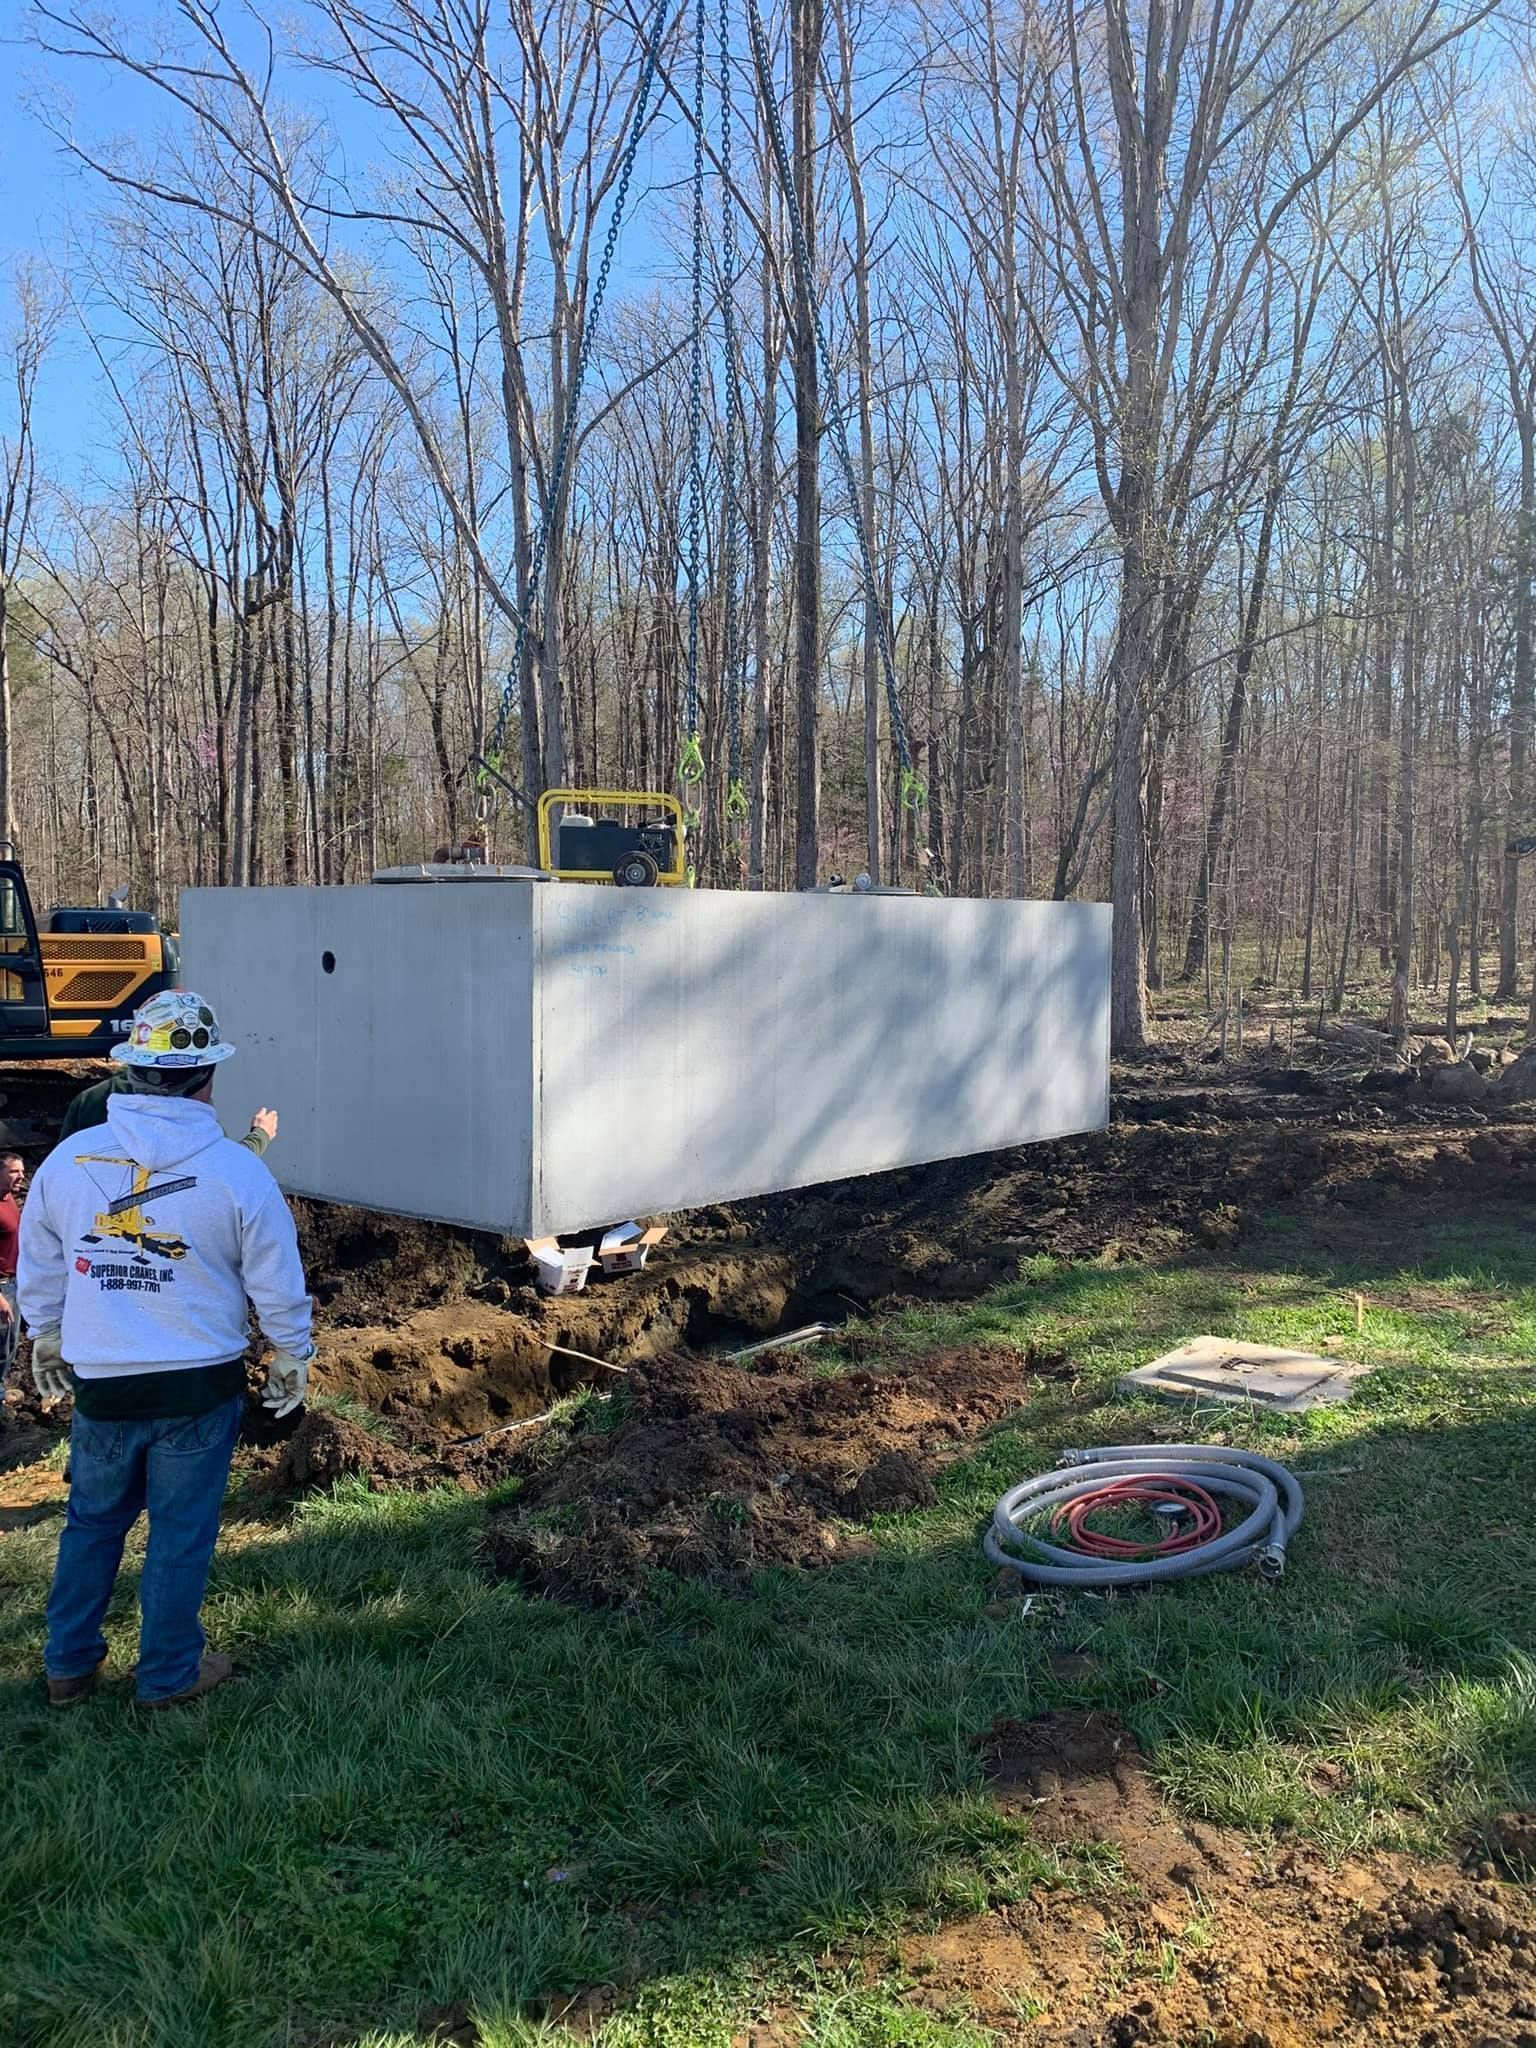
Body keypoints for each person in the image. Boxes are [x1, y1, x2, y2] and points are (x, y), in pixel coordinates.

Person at [19, 987, 313, 1711]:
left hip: (105, 1386)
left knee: (92, 1524)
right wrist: (290, 1351)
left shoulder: (68, 1162)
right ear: (207, 1076)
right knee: (180, 1534)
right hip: (196, 1389)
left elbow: (42, 1258)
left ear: (128, 1070)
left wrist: (47, 1330)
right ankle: (167, 1674)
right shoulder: (239, 1172)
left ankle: (69, 1667)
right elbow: (277, 1277)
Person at [61, 1071, 278, 1157]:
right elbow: (229, 1164)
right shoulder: (188, 1111)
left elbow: (64, 1166)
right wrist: (260, 1134)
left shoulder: (88, 1100)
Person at [0, 1151, 23, 1388]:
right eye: (14, 1171)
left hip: (15, 1283)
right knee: (1, 1345)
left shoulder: (9, 1199)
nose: (21, 1176)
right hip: (1, 1287)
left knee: (10, 1343)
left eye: (22, 1171)